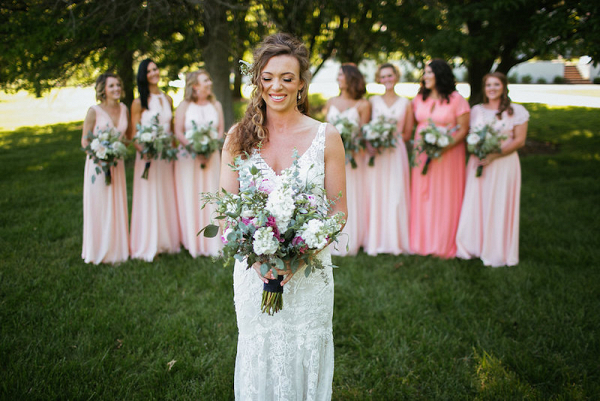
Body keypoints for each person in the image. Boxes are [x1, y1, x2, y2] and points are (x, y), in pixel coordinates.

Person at [220, 33, 347, 400]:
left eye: (287, 78)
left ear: (301, 83)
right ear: (257, 80)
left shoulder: (327, 136)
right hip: (253, 271)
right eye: (268, 77)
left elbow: (339, 212)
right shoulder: (237, 137)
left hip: (309, 274)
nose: (277, 86)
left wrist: (301, 253)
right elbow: (227, 211)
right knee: (259, 348)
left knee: (306, 348)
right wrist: (257, 260)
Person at [456, 72, 529, 266]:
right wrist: (479, 152)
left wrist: (495, 155)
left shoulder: (516, 110)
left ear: (504, 86)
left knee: (499, 203)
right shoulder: (477, 110)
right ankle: (474, 245)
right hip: (478, 163)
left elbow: (520, 140)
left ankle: (497, 249)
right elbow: (470, 136)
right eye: (488, 85)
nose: (492, 88)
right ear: (484, 88)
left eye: (496, 84)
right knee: (477, 202)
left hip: (504, 164)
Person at [409, 59, 470, 258]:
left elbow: (463, 129)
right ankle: (420, 242)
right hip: (422, 155)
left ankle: (443, 243)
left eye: (429, 73)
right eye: (424, 73)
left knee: (445, 195)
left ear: (439, 74)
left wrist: (443, 147)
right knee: (423, 195)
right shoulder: (419, 98)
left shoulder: (456, 99)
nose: (424, 77)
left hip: (448, 155)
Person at [130, 59, 180, 261]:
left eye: (155, 69)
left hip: (166, 156)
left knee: (166, 195)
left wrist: (175, 152)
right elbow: (133, 134)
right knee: (149, 197)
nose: (154, 73)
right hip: (148, 156)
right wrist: (144, 151)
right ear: (143, 75)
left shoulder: (167, 98)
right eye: (149, 71)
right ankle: (149, 244)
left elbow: (172, 128)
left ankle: (168, 241)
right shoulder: (138, 102)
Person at [363, 63, 413, 255]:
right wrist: (374, 141)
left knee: (396, 194)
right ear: (379, 79)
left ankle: (395, 240)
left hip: (396, 152)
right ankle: (375, 240)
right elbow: (366, 128)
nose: (387, 79)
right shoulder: (373, 101)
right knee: (377, 192)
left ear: (396, 76)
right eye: (383, 76)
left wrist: (390, 136)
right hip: (378, 153)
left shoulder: (406, 103)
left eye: (390, 75)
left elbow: (407, 133)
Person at [173, 70, 224, 257]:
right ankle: (192, 241)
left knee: (212, 195)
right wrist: (194, 149)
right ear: (195, 86)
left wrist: (210, 148)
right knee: (192, 195)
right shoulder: (184, 106)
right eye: (205, 80)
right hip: (188, 158)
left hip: (211, 157)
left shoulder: (215, 104)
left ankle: (213, 242)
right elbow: (178, 132)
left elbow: (220, 130)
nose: (209, 83)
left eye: (209, 79)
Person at [81, 72, 130, 264]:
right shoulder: (94, 111)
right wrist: (99, 155)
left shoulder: (124, 108)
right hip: (98, 166)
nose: (116, 88)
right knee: (100, 206)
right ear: (103, 90)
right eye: (111, 86)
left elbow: (124, 138)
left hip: (116, 164)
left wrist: (118, 149)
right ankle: (99, 251)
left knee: (116, 205)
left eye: (118, 85)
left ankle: (117, 251)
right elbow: (85, 140)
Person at [323, 63, 370, 256]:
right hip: (332, 158)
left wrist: (351, 138)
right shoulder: (331, 101)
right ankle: (330, 237)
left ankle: (355, 238)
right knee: (334, 194)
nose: (338, 78)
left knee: (353, 194)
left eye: (341, 75)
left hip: (354, 159)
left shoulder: (363, 104)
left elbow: (365, 133)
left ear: (351, 78)